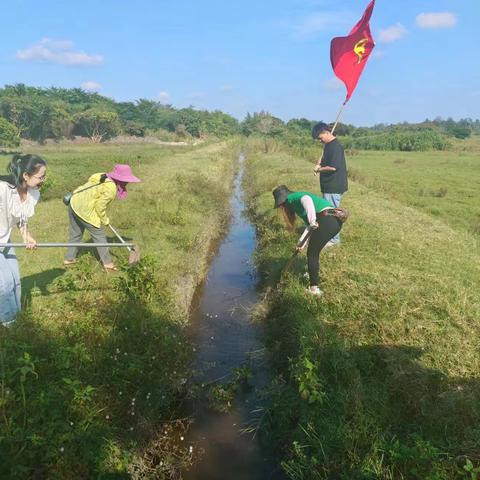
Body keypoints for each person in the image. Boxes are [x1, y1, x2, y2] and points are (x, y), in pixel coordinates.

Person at [64, 164, 140, 272]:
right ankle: (108, 264)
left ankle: (69, 259)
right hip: (85, 209)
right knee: (99, 235)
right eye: (126, 180)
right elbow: (99, 207)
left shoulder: (102, 175)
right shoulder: (111, 188)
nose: (127, 182)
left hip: (74, 203)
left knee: (76, 233)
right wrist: (105, 220)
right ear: (121, 179)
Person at [0, 154, 47, 325]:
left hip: (5, 239)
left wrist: (27, 236)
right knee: (3, 283)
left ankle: (17, 315)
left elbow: (21, 219)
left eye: (44, 176)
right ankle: (8, 322)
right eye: (40, 176)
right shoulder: (3, 189)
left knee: (15, 279)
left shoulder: (33, 193)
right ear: (25, 175)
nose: (43, 180)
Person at [272, 185, 342, 296]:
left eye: (281, 205)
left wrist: (312, 220)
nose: (282, 208)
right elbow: (309, 227)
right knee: (314, 250)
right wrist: (301, 243)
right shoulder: (296, 204)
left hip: (327, 219)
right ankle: (311, 273)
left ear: (283, 201)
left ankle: (313, 290)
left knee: (312, 254)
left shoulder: (292, 198)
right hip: (334, 222)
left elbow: (306, 199)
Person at [312, 122, 348, 246]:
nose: (320, 141)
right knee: (328, 212)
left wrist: (318, 169)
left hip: (334, 186)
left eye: (320, 138)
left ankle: (334, 240)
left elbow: (333, 167)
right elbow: (324, 160)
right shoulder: (328, 145)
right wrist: (319, 163)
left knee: (332, 213)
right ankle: (330, 237)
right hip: (328, 185)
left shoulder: (336, 147)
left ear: (326, 133)